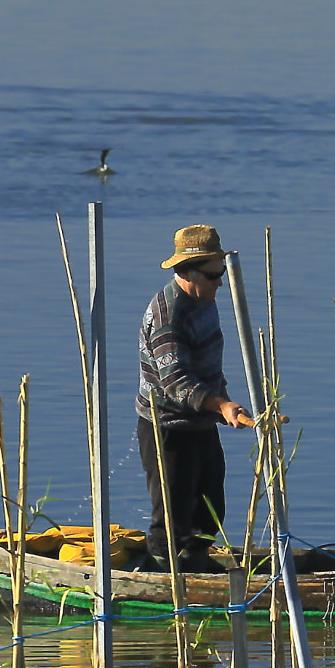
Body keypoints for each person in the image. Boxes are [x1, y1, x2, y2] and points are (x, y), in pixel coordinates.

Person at [136, 224, 254, 572]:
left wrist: (223, 399)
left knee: (209, 502)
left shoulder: (205, 300)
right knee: (171, 511)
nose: (220, 281)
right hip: (167, 425)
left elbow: (208, 362)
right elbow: (178, 383)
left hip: (200, 419)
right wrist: (221, 406)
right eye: (213, 275)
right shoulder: (167, 315)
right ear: (187, 273)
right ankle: (162, 572)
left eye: (221, 273)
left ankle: (198, 561)